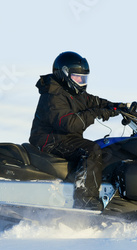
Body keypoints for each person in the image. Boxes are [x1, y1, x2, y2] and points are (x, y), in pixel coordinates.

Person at [29, 51, 128, 211]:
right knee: (91, 150)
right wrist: (97, 113)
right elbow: (70, 124)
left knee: (106, 149)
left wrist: (119, 107)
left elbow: (94, 101)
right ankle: (85, 200)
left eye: (84, 78)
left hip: (64, 139)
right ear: (63, 74)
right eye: (77, 78)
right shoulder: (52, 95)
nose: (81, 82)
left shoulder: (74, 93)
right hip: (50, 141)